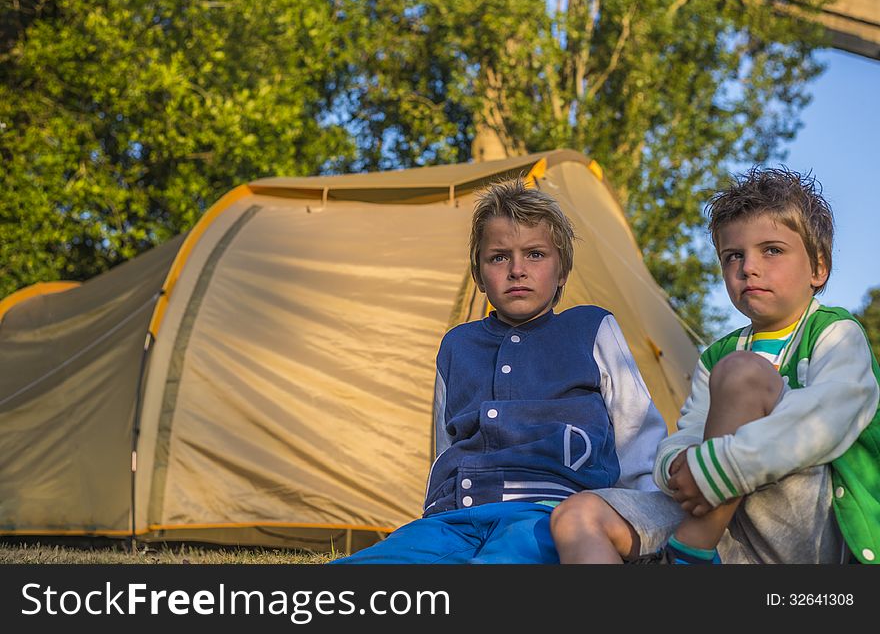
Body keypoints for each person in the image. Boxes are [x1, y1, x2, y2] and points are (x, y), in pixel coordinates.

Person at [332, 176, 674, 563]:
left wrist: (644, 521)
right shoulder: (457, 346)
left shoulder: (591, 328)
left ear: (562, 271)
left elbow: (637, 430)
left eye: (535, 254)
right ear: (478, 274)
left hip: (547, 512)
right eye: (498, 257)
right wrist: (435, 511)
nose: (517, 269)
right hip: (453, 518)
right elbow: (446, 445)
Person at [551, 166, 880, 564]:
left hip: (813, 532)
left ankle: (689, 553)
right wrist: (678, 462)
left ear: (818, 268)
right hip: (730, 527)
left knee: (743, 375)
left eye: (772, 250)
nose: (749, 267)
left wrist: (718, 465)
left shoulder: (836, 332)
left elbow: (829, 419)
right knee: (578, 516)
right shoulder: (717, 355)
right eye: (733, 256)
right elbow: (690, 431)